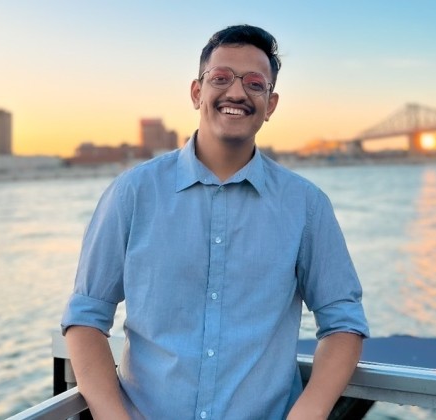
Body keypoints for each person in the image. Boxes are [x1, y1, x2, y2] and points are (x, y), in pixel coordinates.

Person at [61, 24, 369, 420]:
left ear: (270, 105)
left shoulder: (306, 205)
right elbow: (86, 317)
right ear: (196, 92)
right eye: (221, 78)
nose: (237, 93)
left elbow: (343, 322)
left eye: (254, 84)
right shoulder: (133, 193)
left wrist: (307, 414)